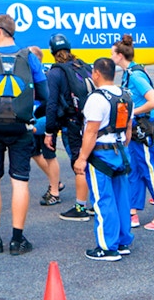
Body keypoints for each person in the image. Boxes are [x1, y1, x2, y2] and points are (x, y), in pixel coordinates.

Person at [0, 14, 48, 255]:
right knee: (19, 181)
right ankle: (17, 239)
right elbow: (44, 92)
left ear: (0, 31)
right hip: (21, 127)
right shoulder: (29, 57)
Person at [73, 57, 133, 261]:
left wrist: (82, 158)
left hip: (101, 154)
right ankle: (123, 241)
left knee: (102, 200)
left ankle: (107, 247)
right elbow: (128, 128)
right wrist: (122, 146)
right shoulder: (126, 95)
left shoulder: (96, 99)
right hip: (120, 152)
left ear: (97, 73)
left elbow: (90, 132)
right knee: (121, 199)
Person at [113, 35, 154, 231]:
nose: (110, 56)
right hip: (135, 128)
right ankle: (132, 211)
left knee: (149, 170)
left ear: (120, 55)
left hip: (143, 128)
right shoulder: (128, 73)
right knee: (134, 170)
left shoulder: (135, 76)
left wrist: (132, 112)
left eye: (112, 53)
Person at [43, 34, 95, 222]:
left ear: (52, 51)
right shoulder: (82, 66)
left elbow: (51, 103)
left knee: (78, 163)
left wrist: (50, 131)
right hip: (90, 122)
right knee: (91, 162)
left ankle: (81, 207)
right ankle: (94, 203)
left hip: (72, 124)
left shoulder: (55, 73)